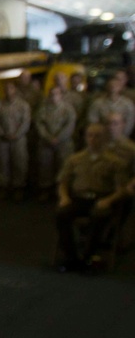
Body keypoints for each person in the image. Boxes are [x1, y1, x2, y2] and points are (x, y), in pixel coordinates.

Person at [54, 123, 129, 272]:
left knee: (99, 216)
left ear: (105, 138)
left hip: (101, 198)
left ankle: (88, 256)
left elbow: (122, 190)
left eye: (97, 136)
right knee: (61, 214)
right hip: (79, 198)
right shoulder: (75, 159)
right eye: (90, 135)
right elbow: (63, 182)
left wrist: (108, 200)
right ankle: (71, 256)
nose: (93, 139)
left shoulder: (115, 162)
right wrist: (63, 197)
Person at [34, 85, 76, 201]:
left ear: (61, 95)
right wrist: (48, 137)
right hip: (46, 142)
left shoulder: (68, 109)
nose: (53, 96)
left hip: (64, 142)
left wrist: (59, 137)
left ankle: (62, 191)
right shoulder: (43, 109)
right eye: (51, 94)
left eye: (56, 94)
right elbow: (39, 124)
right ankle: (46, 189)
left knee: (63, 166)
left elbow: (70, 125)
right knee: (45, 166)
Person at [0, 81, 31, 200]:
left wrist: (17, 134)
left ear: (15, 89)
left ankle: (18, 188)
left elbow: (26, 121)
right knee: (2, 163)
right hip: (2, 139)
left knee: (19, 162)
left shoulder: (23, 105)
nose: (8, 91)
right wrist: (2, 133)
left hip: (18, 139)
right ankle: (3, 187)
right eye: (6, 88)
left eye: (11, 88)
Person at [88, 73, 135, 137]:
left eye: (115, 86)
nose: (113, 88)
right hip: (102, 136)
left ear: (120, 88)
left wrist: (123, 135)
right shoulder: (98, 103)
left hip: (121, 136)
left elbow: (130, 121)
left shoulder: (127, 104)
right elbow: (92, 120)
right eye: (110, 85)